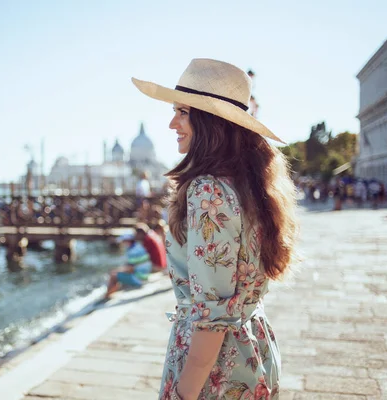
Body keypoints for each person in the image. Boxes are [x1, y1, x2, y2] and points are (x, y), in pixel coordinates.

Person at [132, 58, 299, 399]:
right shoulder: (250, 184)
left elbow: (213, 315)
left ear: (209, 121)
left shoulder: (208, 191)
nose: (171, 123)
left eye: (182, 112)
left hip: (215, 368)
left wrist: (184, 393)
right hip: (252, 349)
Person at [105, 234, 153, 298]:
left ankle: (107, 296)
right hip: (144, 275)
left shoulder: (133, 251)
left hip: (140, 278)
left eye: (123, 241)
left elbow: (130, 269)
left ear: (128, 241)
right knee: (117, 273)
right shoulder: (137, 246)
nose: (122, 243)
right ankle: (111, 292)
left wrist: (116, 270)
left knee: (113, 275)